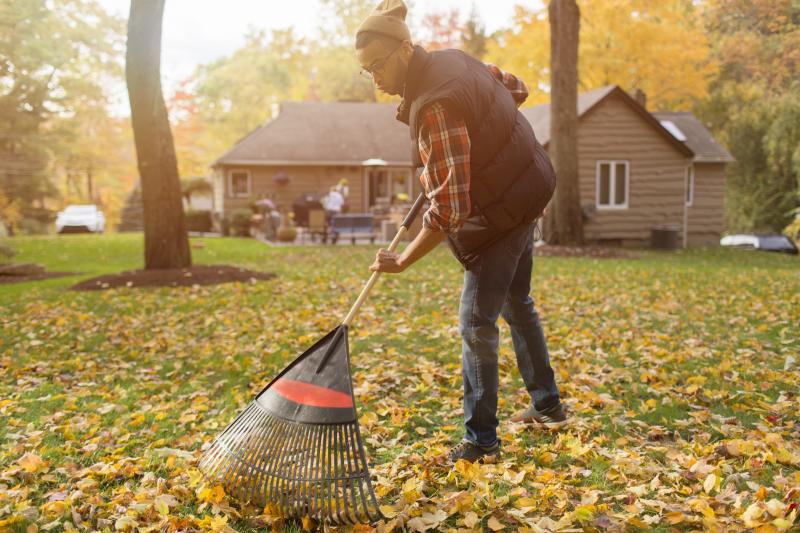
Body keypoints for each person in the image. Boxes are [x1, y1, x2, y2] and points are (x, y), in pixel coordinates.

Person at [356, 0, 567, 464]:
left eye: (377, 65)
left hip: (502, 212)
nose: (373, 79)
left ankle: (481, 441)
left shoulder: (434, 107)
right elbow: (516, 87)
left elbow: (451, 208)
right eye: (365, 71)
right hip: (530, 187)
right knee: (516, 300)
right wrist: (486, 116)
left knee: (476, 323)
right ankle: (548, 405)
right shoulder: (456, 60)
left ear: (406, 50)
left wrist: (404, 260)